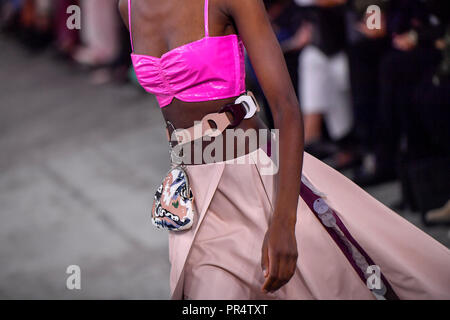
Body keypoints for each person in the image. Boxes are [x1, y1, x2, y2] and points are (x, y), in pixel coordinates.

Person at [118, 0, 450, 299]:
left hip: (255, 178)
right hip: (193, 193)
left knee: (367, 275)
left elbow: (286, 107)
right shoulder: (128, 7)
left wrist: (283, 224)